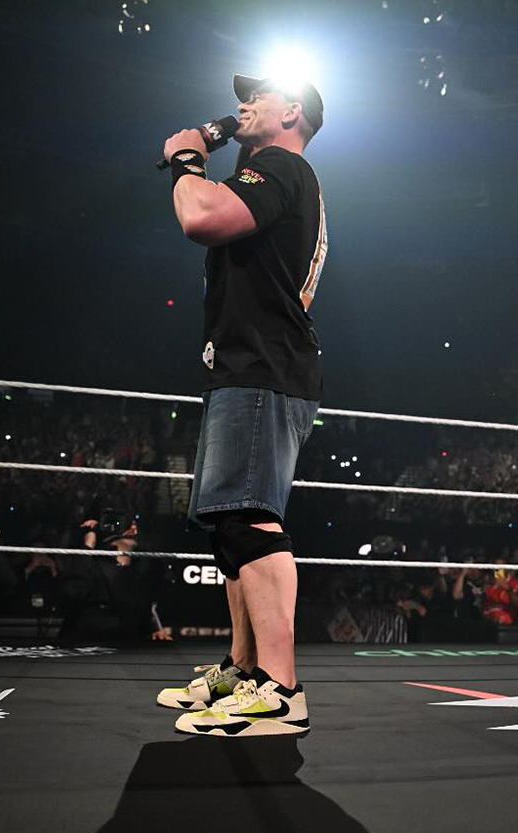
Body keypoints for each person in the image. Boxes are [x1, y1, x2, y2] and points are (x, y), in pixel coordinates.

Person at [155, 74, 327, 738]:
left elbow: (200, 217)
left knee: (251, 517)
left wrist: (187, 158)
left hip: (263, 366)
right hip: (251, 365)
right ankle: (245, 668)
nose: (244, 103)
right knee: (231, 523)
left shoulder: (281, 165)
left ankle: (281, 690)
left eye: (260, 95)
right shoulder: (273, 172)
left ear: (292, 112)